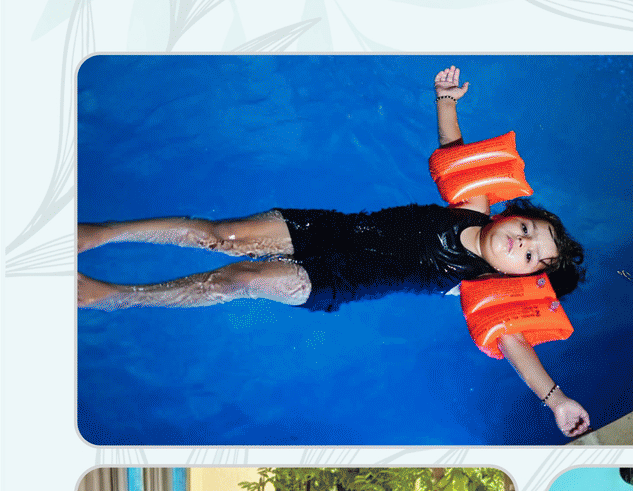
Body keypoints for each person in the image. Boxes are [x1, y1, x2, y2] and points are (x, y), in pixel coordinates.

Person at [77, 65, 591, 437]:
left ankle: (115, 293)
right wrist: (446, 100)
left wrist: (557, 400)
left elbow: (518, 349)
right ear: (511, 213)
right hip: (326, 231)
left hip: (334, 282)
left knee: (235, 280)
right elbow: (456, 152)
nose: (522, 243)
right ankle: (101, 232)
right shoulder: (475, 207)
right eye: (527, 229)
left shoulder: (482, 281)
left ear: (515, 275)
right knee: (223, 233)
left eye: (529, 255)